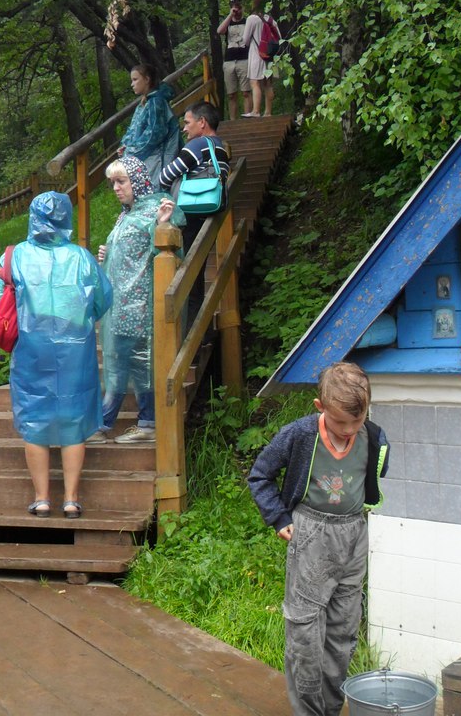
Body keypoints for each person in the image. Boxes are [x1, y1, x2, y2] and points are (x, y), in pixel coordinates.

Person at [246, 362, 391, 716]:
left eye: (357, 421)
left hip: (354, 535)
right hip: (312, 533)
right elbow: (260, 475)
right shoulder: (299, 435)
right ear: (319, 407)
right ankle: (308, 711)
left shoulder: (374, 437)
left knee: (343, 630)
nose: (349, 430)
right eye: (341, 422)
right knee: (305, 630)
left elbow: (376, 473)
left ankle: (330, 706)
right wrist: (278, 517)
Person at [0, 192, 111, 518]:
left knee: (35, 422)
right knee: (74, 421)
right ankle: (70, 499)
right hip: (75, 352)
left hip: (31, 350)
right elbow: (102, 300)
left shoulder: (16, 257)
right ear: (67, 218)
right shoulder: (82, 258)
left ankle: (41, 499)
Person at [86, 157, 177, 446]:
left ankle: (102, 425)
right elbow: (128, 252)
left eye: (121, 181)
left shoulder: (154, 210)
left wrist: (162, 224)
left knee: (122, 366)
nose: (115, 187)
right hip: (119, 305)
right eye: (112, 182)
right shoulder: (126, 215)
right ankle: (146, 422)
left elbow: (164, 248)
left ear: (136, 180)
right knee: (134, 366)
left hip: (138, 305)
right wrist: (107, 254)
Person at [158, 101, 231, 332]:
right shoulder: (220, 147)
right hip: (207, 213)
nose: (184, 129)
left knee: (188, 275)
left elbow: (165, 176)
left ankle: (191, 332)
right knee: (196, 273)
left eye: (187, 122)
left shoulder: (197, 145)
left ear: (202, 122)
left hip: (189, 215)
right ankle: (204, 332)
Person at [120, 63, 180, 187]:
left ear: (147, 79)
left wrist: (131, 151)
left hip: (158, 159)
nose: (132, 84)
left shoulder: (156, 102)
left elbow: (155, 134)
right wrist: (125, 144)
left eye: (135, 79)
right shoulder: (143, 104)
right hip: (146, 159)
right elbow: (132, 129)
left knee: (155, 194)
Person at [217, 0, 252, 121]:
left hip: (244, 60)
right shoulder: (228, 23)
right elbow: (219, 31)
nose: (236, 10)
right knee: (231, 94)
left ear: (242, 8)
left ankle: (248, 118)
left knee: (246, 91)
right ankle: (233, 120)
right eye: (233, 7)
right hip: (229, 61)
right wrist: (230, 16)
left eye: (238, 7)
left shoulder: (247, 21)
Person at [245, 0, 277, 118]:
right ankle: (268, 112)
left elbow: (245, 40)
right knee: (268, 83)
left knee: (255, 82)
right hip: (271, 55)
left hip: (257, 54)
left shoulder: (252, 19)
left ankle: (256, 111)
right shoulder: (271, 19)